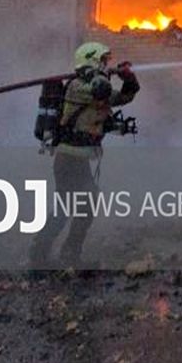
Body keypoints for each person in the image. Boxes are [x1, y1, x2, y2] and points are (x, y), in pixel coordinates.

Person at [29, 41, 139, 268]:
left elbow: (125, 97)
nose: (107, 64)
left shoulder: (93, 87)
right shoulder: (77, 87)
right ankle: (55, 254)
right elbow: (101, 91)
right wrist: (102, 75)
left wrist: (128, 77)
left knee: (74, 207)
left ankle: (50, 252)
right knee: (77, 206)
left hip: (78, 160)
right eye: (103, 61)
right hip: (69, 160)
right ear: (92, 60)